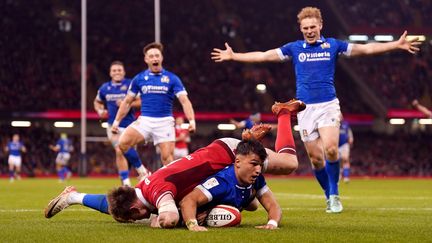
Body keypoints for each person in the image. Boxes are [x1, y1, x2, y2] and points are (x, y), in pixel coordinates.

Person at [211, 6, 421, 213]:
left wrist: (395, 44)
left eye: (313, 27)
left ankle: (334, 194)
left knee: (330, 148)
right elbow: (265, 55)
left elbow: (364, 49)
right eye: (305, 28)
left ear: (320, 25)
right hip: (304, 109)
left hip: (328, 104)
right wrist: (234, 56)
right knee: (316, 158)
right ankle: (328, 194)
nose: (309, 31)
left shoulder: (333, 45)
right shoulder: (294, 48)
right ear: (301, 29)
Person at [44, 100, 305, 228]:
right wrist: (75, 198)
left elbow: (168, 218)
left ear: (137, 209)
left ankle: (283, 114)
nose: (141, 220)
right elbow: (109, 203)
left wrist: (161, 220)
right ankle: (71, 197)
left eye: (137, 218)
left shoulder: (157, 192)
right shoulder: (137, 190)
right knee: (248, 205)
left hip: (229, 154)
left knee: (290, 162)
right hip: (220, 156)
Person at [112, 42, 196, 167]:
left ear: (161, 58)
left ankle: (172, 186)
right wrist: (116, 122)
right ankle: (142, 171)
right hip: (145, 121)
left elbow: (184, 100)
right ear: (146, 59)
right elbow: (127, 102)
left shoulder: (172, 78)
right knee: (122, 144)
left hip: (165, 122)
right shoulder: (139, 79)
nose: (155, 58)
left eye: (157, 55)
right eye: (151, 56)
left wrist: (191, 120)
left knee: (167, 159)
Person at [179, 141, 281, 231]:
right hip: (194, 208)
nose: (258, 170)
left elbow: (273, 205)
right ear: (237, 162)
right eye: (254, 164)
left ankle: (240, 198)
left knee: (253, 205)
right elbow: (187, 200)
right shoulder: (221, 182)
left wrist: (272, 223)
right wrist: (192, 224)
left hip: (241, 196)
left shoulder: (257, 178)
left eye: (261, 165)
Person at [94, 60, 150, 186]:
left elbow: (141, 101)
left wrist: (128, 103)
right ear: (110, 73)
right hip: (112, 126)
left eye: (119, 70)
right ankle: (129, 181)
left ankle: (134, 174)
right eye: (114, 70)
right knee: (119, 149)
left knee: (126, 152)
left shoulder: (131, 84)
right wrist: (99, 110)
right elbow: (97, 102)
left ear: (123, 72)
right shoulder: (104, 88)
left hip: (131, 125)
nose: (117, 72)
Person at [338, 117, 353, 183]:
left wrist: (351, 138)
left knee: (345, 159)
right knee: (338, 161)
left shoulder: (346, 124)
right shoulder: (333, 124)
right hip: (335, 145)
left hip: (344, 144)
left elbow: (349, 132)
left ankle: (346, 177)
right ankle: (339, 173)